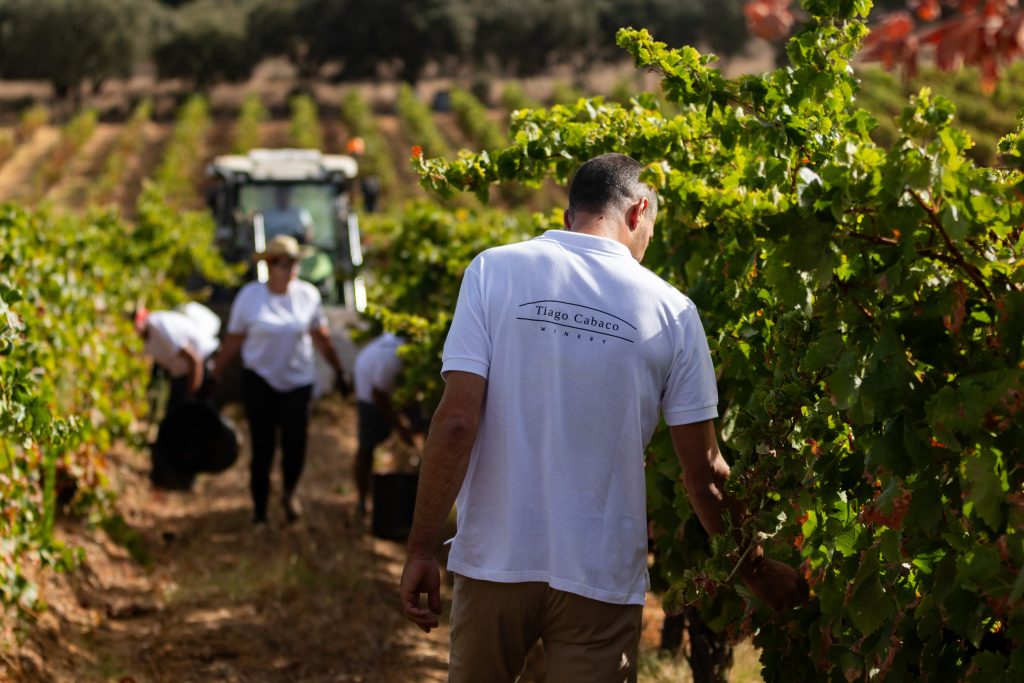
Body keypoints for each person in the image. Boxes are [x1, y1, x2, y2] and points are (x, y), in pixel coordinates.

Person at [398, 153, 807, 682]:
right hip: (601, 574)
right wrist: (754, 570)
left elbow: (454, 424)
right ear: (639, 212)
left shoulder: (493, 270)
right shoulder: (673, 310)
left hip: (494, 560)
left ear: (570, 216)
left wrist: (420, 549)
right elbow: (704, 473)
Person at [211, 234, 347, 526]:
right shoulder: (250, 297)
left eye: (293, 262)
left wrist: (339, 370)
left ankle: (289, 493)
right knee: (262, 446)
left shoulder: (307, 295)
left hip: (297, 380)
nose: (289, 268)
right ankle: (259, 509)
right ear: (270, 265)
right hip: (260, 379)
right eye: (282, 262)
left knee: (295, 444)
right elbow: (234, 340)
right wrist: (216, 374)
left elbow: (320, 337)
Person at [352, 332, 417, 518]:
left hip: (382, 388)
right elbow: (378, 395)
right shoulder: (393, 358)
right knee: (367, 446)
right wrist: (400, 428)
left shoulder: (403, 353)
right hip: (369, 393)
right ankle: (363, 499)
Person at [136, 301, 221, 412]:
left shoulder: (158, 325)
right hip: (186, 374)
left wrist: (190, 399)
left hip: (200, 368)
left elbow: (195, 361)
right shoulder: (148, 334)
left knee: (197, 413)